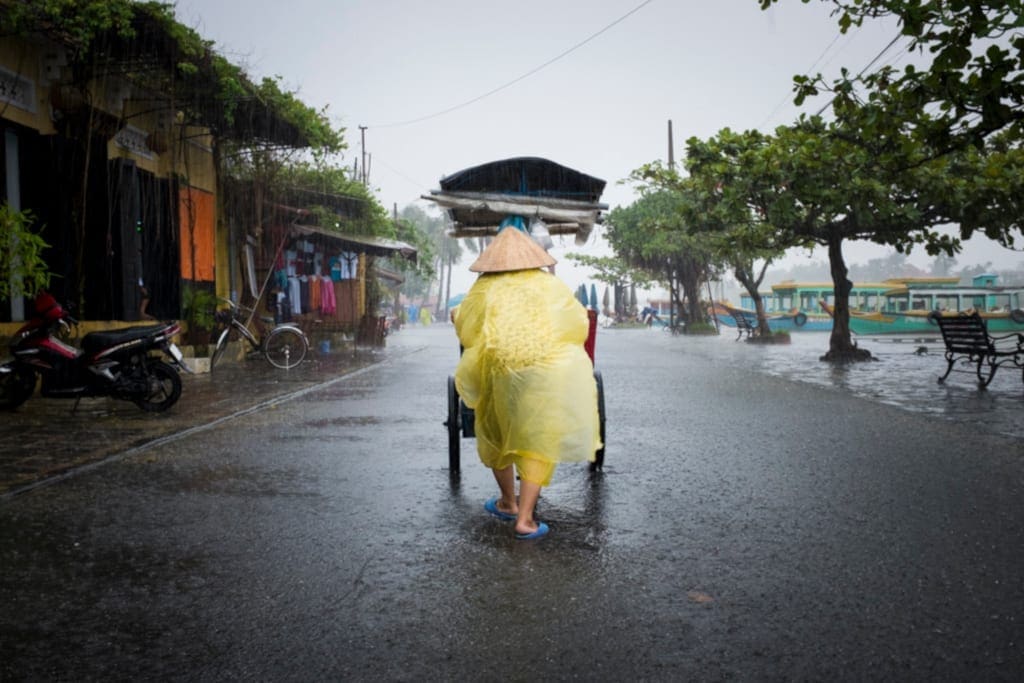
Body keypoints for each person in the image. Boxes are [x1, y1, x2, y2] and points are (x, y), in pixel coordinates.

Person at [453, 226, 602, 540]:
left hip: (499, 369)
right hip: (545, 373)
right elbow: (577, 325)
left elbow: (466, 331)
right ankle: (525, 519)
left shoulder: (483, 288)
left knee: (496, 432)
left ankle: (507, 501)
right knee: (539, 437)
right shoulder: (549, 285)